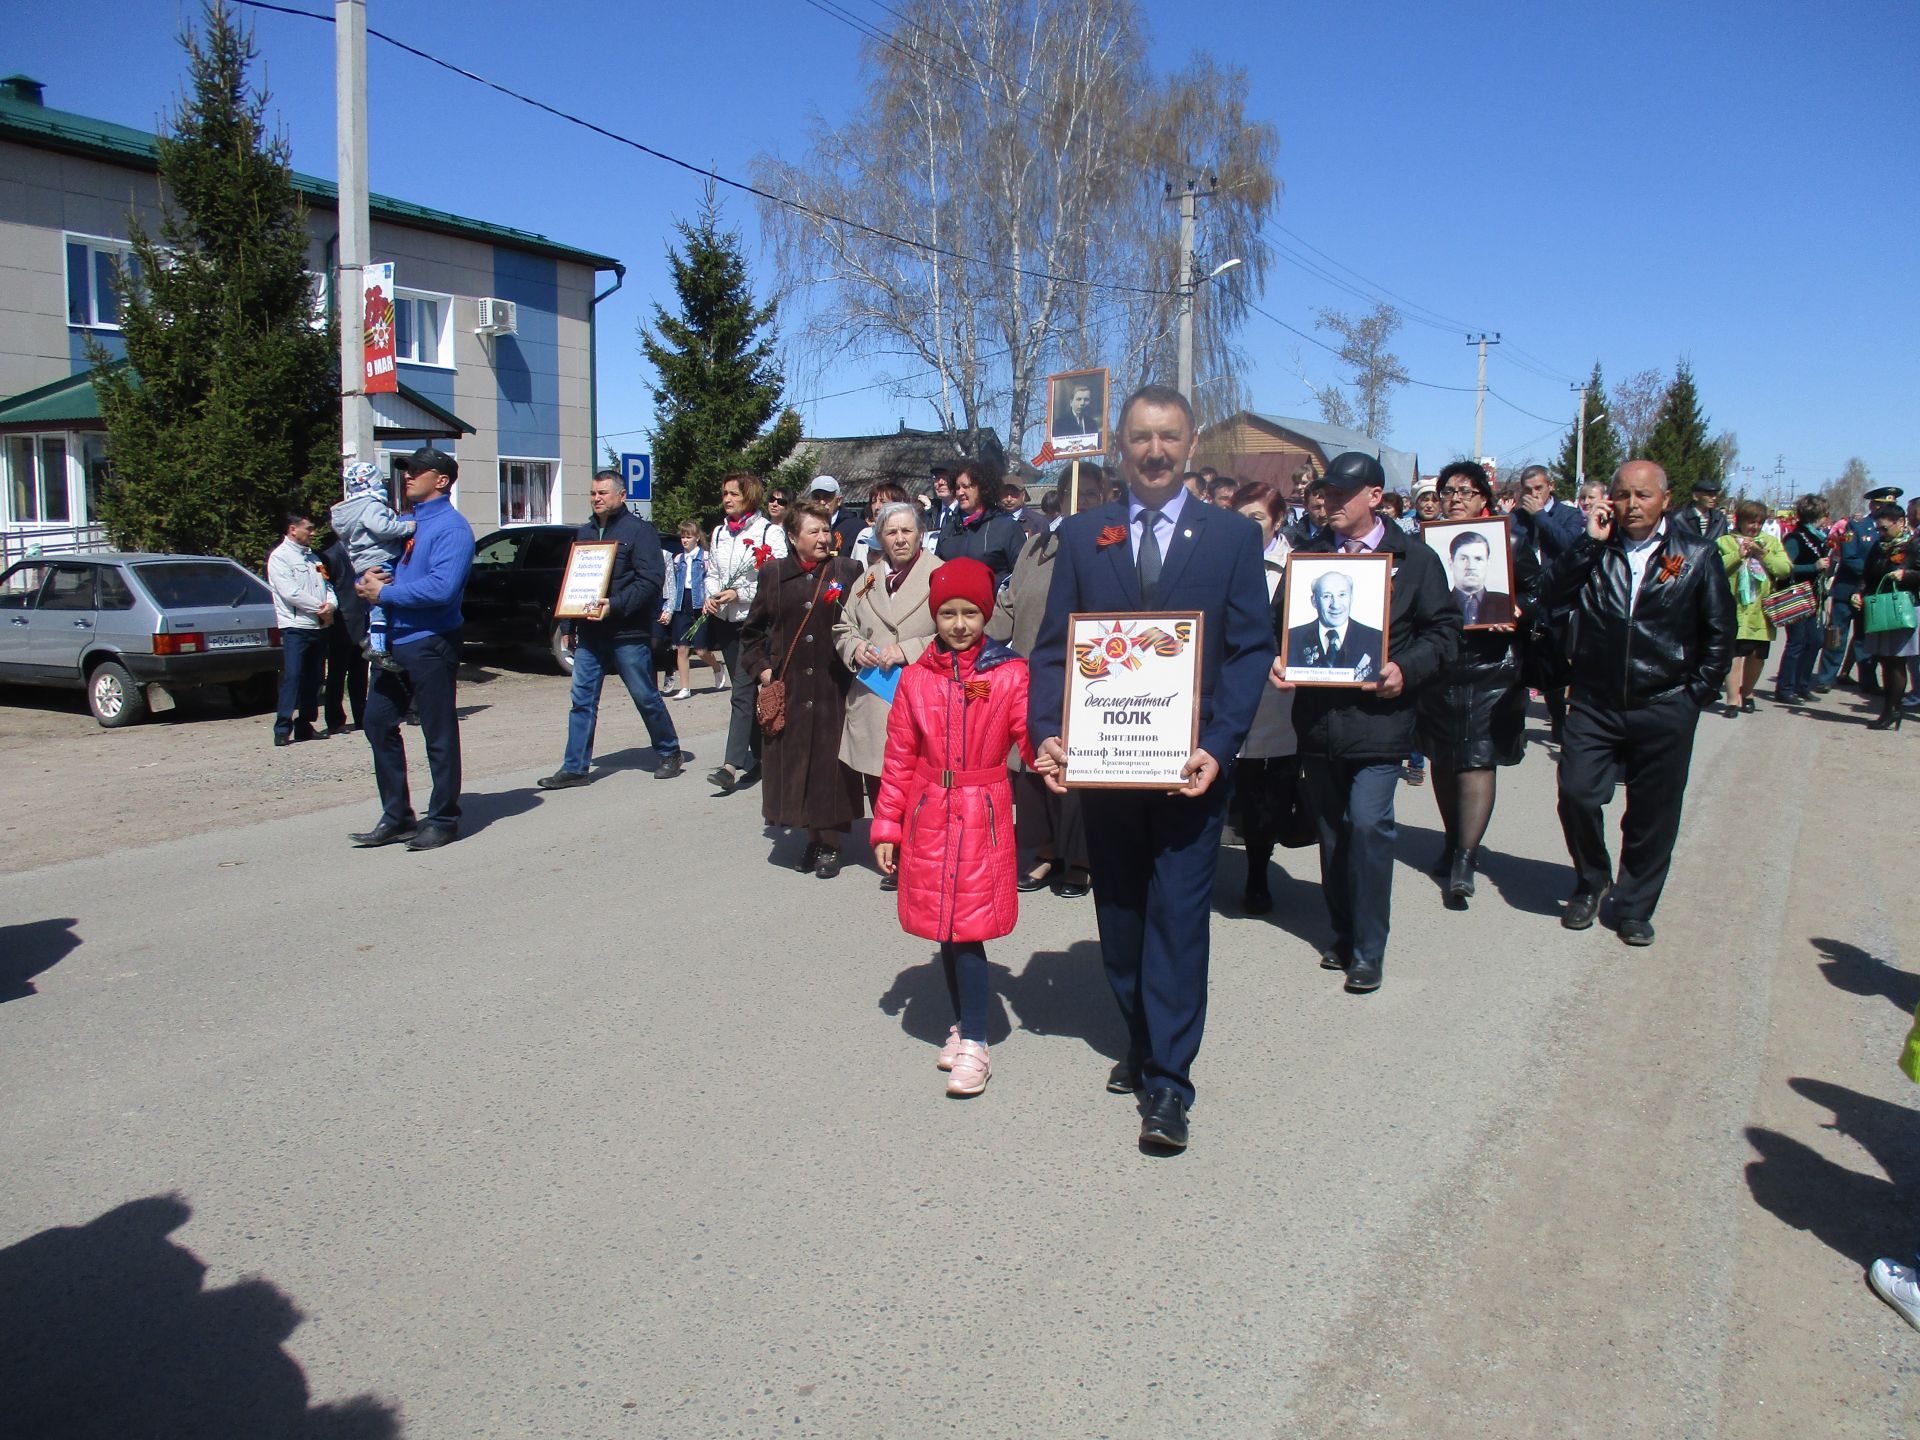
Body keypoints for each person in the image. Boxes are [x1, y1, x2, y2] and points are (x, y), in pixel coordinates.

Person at [1029, 384, 1274, 1152]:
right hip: (1105, 769)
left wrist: (1221, 743)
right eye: (1141, 438)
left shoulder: (1230, 538)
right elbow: (1050, 649)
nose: (1156, 452)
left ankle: (1170, 1082)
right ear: (1120, 445)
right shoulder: (1083, 535)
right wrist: (1046, 733)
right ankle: (1140, 1035)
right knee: (1123, 918)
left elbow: (1248, 651)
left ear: (1191, 443)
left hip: (1189, 769)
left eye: (1169, 438)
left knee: (1178, 919)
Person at [1283, 451, 1461, 994]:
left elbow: (1445, 633)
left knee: (1368, 826)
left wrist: (1404, 670)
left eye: (1341, 494)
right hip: (1318, 723)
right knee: (1334, 836)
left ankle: (1369, 950)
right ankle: (1343, 933)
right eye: (1326, 493)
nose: (1328, 502)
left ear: (1375, 498)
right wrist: (1278, 656)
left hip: (1381, 723)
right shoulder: (1308, 556)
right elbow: (1280, 624)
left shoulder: (1415, 559)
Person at [1547, 459, 1734, 945]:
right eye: (1623, 495)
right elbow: (1553, 596)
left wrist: (1694, 696)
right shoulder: (1595, 550)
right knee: (1578, 793)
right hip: (1595, 700)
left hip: (1665, 702)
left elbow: (1718, 633)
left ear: (1665, 500)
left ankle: (1634, 905)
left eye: (1642, 496)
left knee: (1653, 812)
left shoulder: (1696, 555)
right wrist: (1590, 540)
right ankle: (1592, 880)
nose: (1632, 505)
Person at [872, 558, 1035, 1097]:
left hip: (981, 810)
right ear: (934, 615)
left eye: (970, 612)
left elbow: (1029, 738)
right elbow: (898, 758)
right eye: (948, 613)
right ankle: (963, 1024)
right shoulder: (917, 677)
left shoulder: (1009, 673)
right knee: (944, 926)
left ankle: (978, 1041)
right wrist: (887, 827)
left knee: (968, 930)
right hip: (928, 809)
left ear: (986, 614)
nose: (960, 624)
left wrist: (1053, 754)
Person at [1415, 460, 1539, 906]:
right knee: (1444, 758)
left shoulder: (1509, 540)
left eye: (1465, 491)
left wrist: (1519, 612)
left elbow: (1535, 590)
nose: (1454, 499)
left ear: (1484, 498)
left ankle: (1466, 857)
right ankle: (1452, 840)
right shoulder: (1424, 545)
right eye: (1448, 491)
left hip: (1491, 665)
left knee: (1477, 757)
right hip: (1441, 665)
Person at [991, 463, 1105, 901]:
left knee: (1078, 771)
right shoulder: (1035, 546)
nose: (1084, 502)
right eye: (1076, 493)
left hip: (1090, 679)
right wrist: (977, 638)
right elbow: (1010, 605)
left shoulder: (1111, 546)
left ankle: (1080, 859)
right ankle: (1047, 848)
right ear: (1059, 499)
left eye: (1093, 495)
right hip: (1033, 673)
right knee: (1035, 768)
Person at [351, 447, 475, 851]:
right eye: (406, 470)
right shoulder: (405, 524)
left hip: (430, 640)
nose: (408, 476)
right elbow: (387, 571)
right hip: (395, 642)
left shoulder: (452, 528)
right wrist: (369, 581)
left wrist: (387, 593)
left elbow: (442, 589)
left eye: (417, 470)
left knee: (437, 731)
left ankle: (443, 818)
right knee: (376, 722)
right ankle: (398, 816)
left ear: (441, 480)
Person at [742, 499, 866, 877]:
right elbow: (750, 634)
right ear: (793, 537)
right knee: (796, 765)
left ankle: (830, 842)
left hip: (834, 684)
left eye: (826, 529)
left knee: (830, 764)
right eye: (813, 531)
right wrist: (764, 671)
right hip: (790, 686)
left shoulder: (848, 570)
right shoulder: (773, 575)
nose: (823, 537)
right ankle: (812, 836)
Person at [537, 470, 682, 789]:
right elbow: (577, 583)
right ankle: (575, 767)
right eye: (593, 493)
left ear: (621, 495)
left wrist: (614, 604)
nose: (596, 498)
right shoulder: (585, 532)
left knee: (645, 695)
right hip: (591, 634)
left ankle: (669, 751)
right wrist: (571, 623)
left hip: (627, 633)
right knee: (582, 699)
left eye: (603, 492)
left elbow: (650, 580)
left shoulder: (640, 531)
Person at [834, 499, 942, 887]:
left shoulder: (940, 574)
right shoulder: (868, 578)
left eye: (907, 531)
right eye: (891, 532)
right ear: (880, 536)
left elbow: (959, 632)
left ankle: (917, 853)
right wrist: (855, 648)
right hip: (873, 694)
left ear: (921, 534)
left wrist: (908, 650)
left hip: (919, 692)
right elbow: (843, 627)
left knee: (917, 779)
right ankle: (891, 849)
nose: (899, 539)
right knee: (881, 778)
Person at [1227, 480, 1297, 915]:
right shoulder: (1222, 560)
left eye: (1257, 518)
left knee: (1264, 787)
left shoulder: (1296, 565)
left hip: (1277, 695)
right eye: (1240, 517)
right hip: (1228, 686)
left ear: (1278, 521)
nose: (1248, 527)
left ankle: (1257, 872)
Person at [704, 472, 789, 793]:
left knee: (742, 689)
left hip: (756, 623)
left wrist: (739, 593)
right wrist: (712, 594)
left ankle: (729, 766)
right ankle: (761, 759)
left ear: (749, 497)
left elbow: (776, 580)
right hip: (726, 621)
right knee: (747, 692)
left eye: (734, 494)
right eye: (724, 493)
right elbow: (712, 572)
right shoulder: (718, 533)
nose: (727, 499)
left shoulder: (769, 532)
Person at [329, 460, 413, 671]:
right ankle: (377, 646)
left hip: (361, 563)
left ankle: (370, 638)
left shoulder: (348, 511)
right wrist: (406, 527)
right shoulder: (372, 506)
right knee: (381, 605)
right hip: (379, 559)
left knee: (373, 605)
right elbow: (381, 527)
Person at [1716, 498, 1792, 715]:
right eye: (1751, 522)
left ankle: (1747, 692)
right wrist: (1737, 555)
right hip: (1733, 608)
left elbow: (1784, 569)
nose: (1755, 527)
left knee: (1756, 656)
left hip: (1761, 610)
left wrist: (1761, 553)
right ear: (1739, 521)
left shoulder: (1770, 543)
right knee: (1733, 655)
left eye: (1759, 523)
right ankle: (1732, 701)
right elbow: (1714, 568)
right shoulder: (1725, 542)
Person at [265, 511, 335, 747]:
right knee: (293, 676)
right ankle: (283, 727)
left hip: (318, 626)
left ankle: (305, 724)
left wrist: (331, 606)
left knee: (314, 678)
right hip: (296, 626)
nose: (313, 533)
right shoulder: (280, 558)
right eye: (309, 528)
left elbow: (327, 586)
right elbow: (290, 592)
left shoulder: (314, 558)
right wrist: (320, 608)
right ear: (293, 529)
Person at [1848, 499, 1918, 730]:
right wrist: (1860, 592)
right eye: (1878, 528)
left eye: (1885, 528)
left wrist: (1906, 575)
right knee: (1886, 661)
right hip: (1880, 608)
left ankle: (1892, 711)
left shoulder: (1914, 545)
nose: (1881, 533)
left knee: (1896, 661)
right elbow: (1868, 575)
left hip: (1902, 609)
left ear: (1900, 522)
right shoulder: (1880, 546)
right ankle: (1889, 711)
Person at [1773, 494, 1831, 704]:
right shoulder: (1795, 538)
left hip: (1814, 597)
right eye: (1824, 514)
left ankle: (1802, 685)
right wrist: (1813, 567)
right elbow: (1785, 568)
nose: (1826, 518)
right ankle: (1785, 688)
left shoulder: (1819, 537)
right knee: (1797, 642)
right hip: (1796, 596)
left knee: (1815, 641)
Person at [661, 520, 726, 700]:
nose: (685, 540)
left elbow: (712, 580)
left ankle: (717, 666)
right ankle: (685, 688)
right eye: (682, 536)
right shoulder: (678, 560)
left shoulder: (705, 557)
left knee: (700, 650)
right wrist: (669, 608)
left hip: (699, 604)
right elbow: (672, 585)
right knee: (681, 648)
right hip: (682, 603)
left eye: (688, 536)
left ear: (697, 538)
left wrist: (710, 600)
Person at [934, 457, 1024, 586]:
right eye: (957, 487)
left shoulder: (1007, 528)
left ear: (982, 488)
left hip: (993, 604)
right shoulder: (948, 530)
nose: (960, 492)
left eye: (966, 486)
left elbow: (1021, 577)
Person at [1285, 569, 1385, 675]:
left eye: (1342, 595)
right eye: (1327, 596)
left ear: (1351, 597)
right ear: (1314, 601)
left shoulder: (1376, 639)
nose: (1335, 605)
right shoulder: (1292, 638)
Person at [316, 529, 367, 734]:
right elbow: (326, 586)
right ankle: (335, 720)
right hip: (341, 624)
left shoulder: (360, 554)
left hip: (361, 621)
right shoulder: (329, 556)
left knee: (360, 674)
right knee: (337, 675)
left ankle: (362, 716)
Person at [1512, 463, 1584, 568]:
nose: (1534, 494)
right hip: (1525, 579)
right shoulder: (1515, 518)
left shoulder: (1570, 514)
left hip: (1557, 578)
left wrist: (1540, 515)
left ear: (1551, 486)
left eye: (1538, 488)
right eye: (1528, 489)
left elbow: (1570, 547)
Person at [1445, 528, 1515, 628]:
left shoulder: (1505, 603)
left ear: (1488, 562)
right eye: (1464, 559)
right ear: (1451, 562)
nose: (1471, 566)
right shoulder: (1440, 604)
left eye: (1478, 559)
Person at [850, 481, 912, 561]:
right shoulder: (864, 535)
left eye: (883, 502)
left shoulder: (905, 537)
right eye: (873, 502)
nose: (876, 507)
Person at [809, 475, 864, 557]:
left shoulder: (856, 527)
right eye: (816, 497)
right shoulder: (804, 527)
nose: (822, 502)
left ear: (838, 500)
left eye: (827, 497)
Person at [1669, 474, 1731, 542]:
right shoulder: (1679, 518)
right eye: (1709, 495)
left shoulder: (1719, 518)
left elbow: (1724, 544)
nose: (1714, 498)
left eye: (1715, 494)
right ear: (1696, 496)